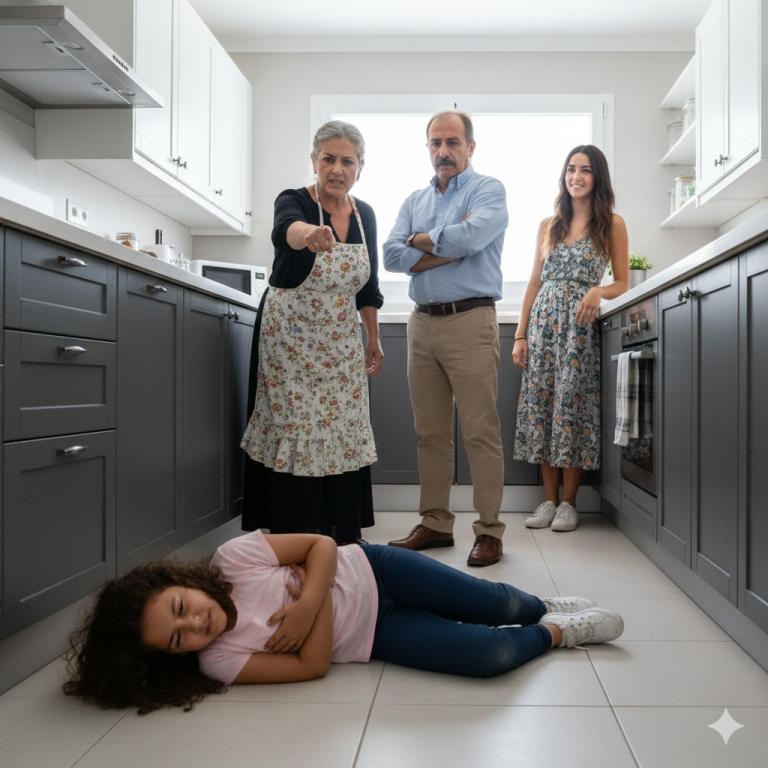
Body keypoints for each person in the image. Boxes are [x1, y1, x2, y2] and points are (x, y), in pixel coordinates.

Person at [62, 531, 625, 714]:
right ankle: (557, 633)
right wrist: (313, 593)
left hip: (377, 570)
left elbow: (324, 545)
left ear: (177, 583)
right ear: (177, 657)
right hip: (373, 637)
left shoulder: (232, 559)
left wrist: (308, 605)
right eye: (178, 639)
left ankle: (539, 607)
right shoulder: (220, 660)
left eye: (181, 608)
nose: (196, 625)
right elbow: (311, 667)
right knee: (489, 658)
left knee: (500, 606)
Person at [240, 120, 384, 545]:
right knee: (296, 426)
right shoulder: (296, 200)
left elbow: (369, 287)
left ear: (360, 167)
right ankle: (293, 534)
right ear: (314, 161)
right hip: (290, 339)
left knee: (340, 428)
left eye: (347, 161)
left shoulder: (365, 215)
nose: (337, 169)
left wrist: (372, 338)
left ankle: (339, 535)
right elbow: (284, 230)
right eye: (328, 159)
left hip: (341, 339)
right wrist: (311, 234)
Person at [382, 110, 508, 566]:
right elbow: (392, 255)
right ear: (428, 148)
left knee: (480, 431)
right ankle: (435, 523)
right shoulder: (414, 199)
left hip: (470, 320)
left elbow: (474, 236)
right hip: (423, 323)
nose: (444, 151)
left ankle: (490, 531)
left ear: (470, 147)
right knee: (430, 433)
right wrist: (446, 247)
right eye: (436, 143)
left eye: (453, 142)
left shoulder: (487, 189)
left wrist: (428, 243)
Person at [513, 145, 629, 531]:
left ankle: (569, 503)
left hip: (579, 329)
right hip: (543, 325)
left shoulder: (612, 223)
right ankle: (547, 501)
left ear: (598, 177)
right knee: (543, 408)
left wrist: (597, 291)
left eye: (585, 170)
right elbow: (533, 282)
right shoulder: (549, 224)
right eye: (570, 169)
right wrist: (520, 334)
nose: (576, 176)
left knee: (572, 409)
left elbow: (624, 282)